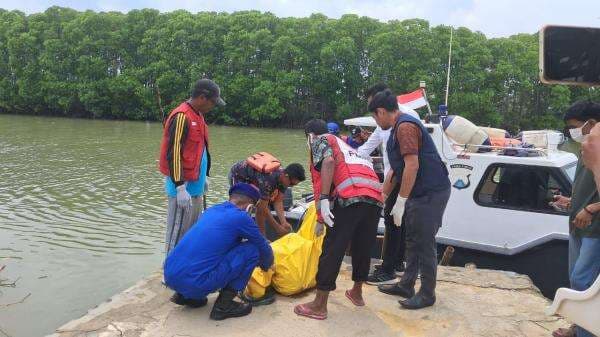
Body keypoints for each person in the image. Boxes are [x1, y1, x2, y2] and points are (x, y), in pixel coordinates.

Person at [369, 89, 451, 310]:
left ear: (381, 112)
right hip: (419, 193)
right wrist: (383, 197)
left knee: (424, 243)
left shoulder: (404, 127)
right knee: (412, 239)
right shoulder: (397, 128)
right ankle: (406, 284)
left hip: (430, 192)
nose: (376, 123)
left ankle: (427, 294)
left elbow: (412, 165)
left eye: (375, 118)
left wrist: (401, 201)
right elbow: (396, 171)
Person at [293, 119, 383, 320]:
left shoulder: (321, 140)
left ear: (310, 136)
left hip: (350, 196)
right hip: (375, 197)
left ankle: (319, 305)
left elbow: (325, 170)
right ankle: (357, 293)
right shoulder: (347, 144)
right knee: (363, 246)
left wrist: (321, 209)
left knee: (333, 248)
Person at [163, 183, 274, 321]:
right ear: (250, 205)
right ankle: (223, 306)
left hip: (170, 275)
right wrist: (267, 264)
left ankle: (185, 296)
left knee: (206, 250)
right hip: (196, 283)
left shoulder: (212, 210)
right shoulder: (241, 217)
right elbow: (262, 246)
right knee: (252, 250)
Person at [360, 83, 421, 285]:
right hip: (392, 175)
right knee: (398, 221)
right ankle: (397, 263)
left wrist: (392, 195)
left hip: (401, 178)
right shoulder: (384, 123)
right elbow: (366, 148)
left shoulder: (405, 120)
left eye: (375, 110)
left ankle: (387, 270)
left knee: (392, 222)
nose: (375, 116)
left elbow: (409, 160)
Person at [158, 79, 225, 256]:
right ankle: (169, 270)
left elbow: (201, 150)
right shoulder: (182, 116)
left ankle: (184, 268)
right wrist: (179, 187)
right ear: (202, 98)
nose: (213, 107)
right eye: (212, 102)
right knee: (177, 233)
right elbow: (173, 154)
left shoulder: (199, 115)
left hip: (197, 186)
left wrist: (206, 177)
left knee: (191, 233)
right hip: (183, 188)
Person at [550, 101, 600, 337]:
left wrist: (590, 208)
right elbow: (588, 185)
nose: (572, 132)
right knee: (576, 279)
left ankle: (586, 332)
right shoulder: (586, 147)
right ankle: (580, 327)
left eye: (574, 127)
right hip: (577, 225)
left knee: (584, 281)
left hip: (595, 228)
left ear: (591, 123)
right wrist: (572, 201)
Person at [229, 160, 306, 237]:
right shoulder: (269, 181)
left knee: (259, 203)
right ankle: (236, 231)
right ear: (286, 175)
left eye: (294, 185)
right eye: (291, 183)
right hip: (238, 174)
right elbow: (261, 209)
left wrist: (283, 222)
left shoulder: (284, 179)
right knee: (242, 204)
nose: (291, 186)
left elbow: (278, 201)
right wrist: (277, 228)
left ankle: (259, 235)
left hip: (255, 178)